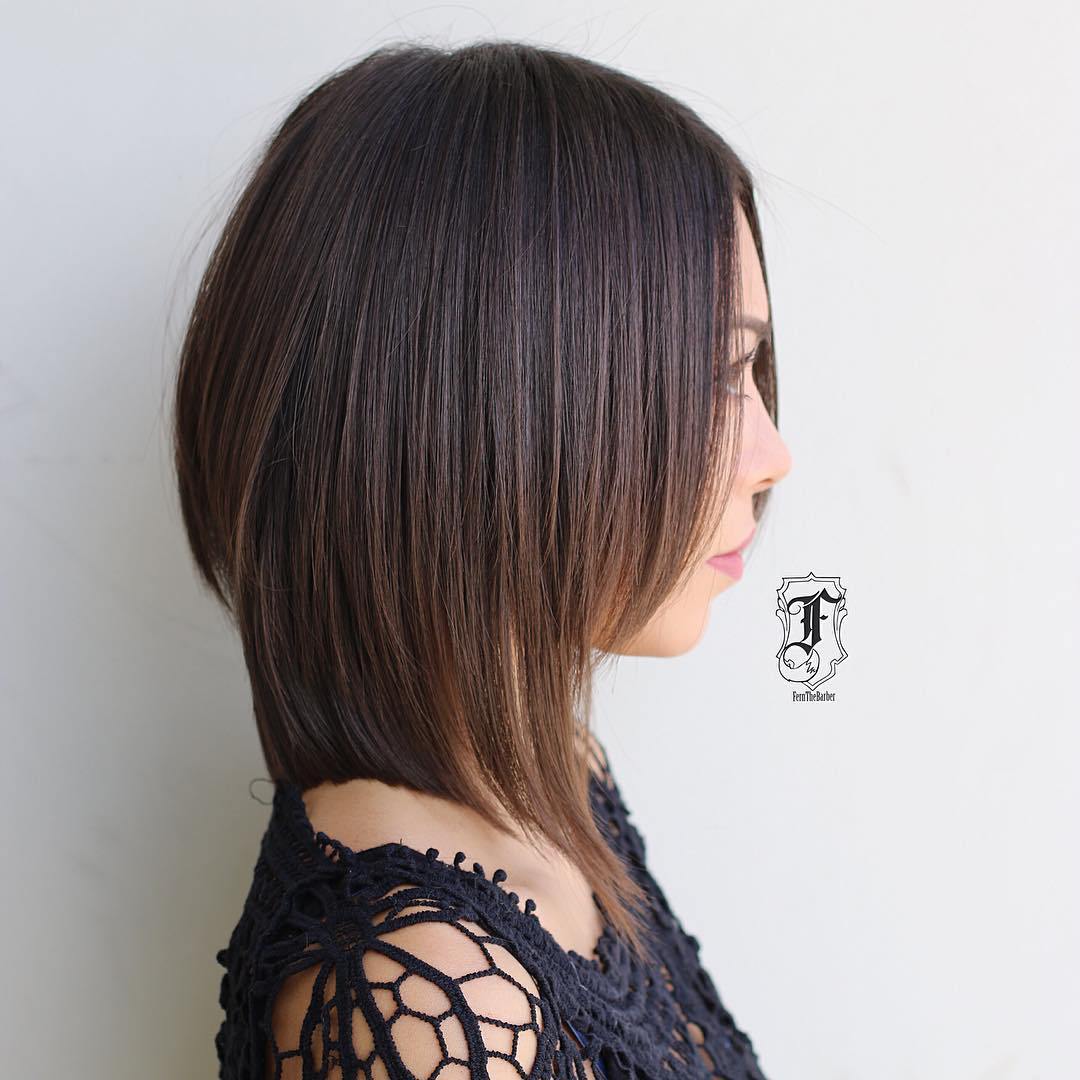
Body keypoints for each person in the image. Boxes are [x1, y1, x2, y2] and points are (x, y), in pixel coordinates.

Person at [173, 39, 792, 1080]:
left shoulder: (552, 787)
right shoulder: (419, 996)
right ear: (494, 410)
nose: (773, 455)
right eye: (713, 377)